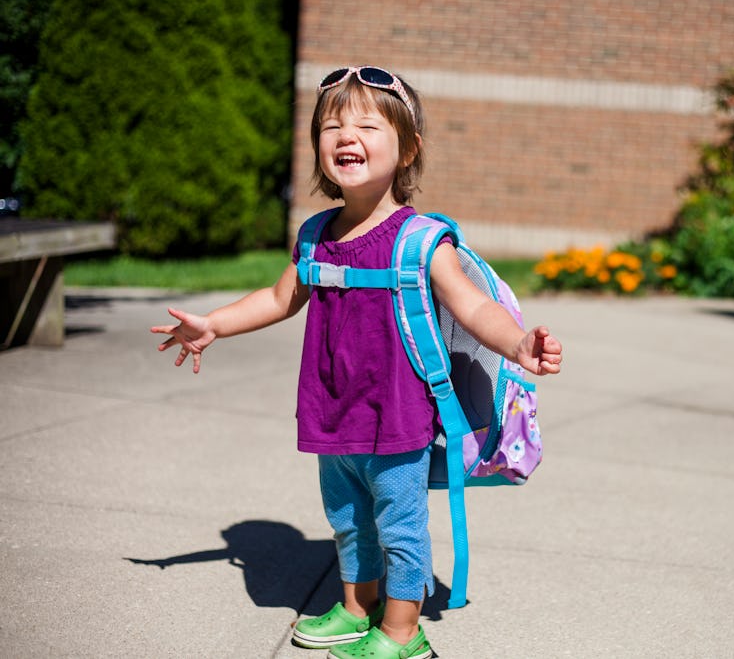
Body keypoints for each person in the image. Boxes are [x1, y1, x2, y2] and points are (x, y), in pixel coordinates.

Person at [151, 65, 563, 659]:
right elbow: (277, 299)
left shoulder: (422, 239)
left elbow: (471, 307)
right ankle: (354, 607)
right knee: (347, 519)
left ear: (408, 147)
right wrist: (214, 323)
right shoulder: (316, 234)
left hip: (397, 418)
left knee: (399, 526)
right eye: (331, 125)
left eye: (368, 124)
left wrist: (518, 343)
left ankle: (402, 630)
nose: (347, 135)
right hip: (332, 411)